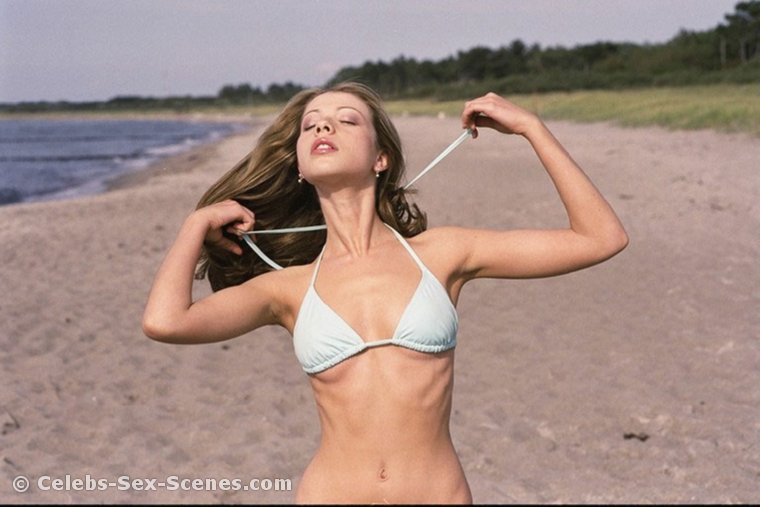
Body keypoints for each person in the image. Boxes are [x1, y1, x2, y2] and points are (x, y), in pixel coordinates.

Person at [142, 82, 628, 504]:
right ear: (300, 167)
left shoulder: (442, 254)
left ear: (381, 158)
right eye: (311, 125)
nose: (323, 127)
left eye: (346, 120)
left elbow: (600, 238)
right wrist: (195, 225)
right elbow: (166, 322)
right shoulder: (287, 288)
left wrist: (531, 128)